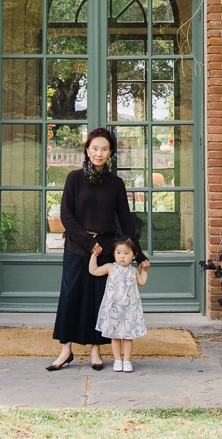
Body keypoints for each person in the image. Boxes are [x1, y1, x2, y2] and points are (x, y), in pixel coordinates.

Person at [48, 127, 148, 372]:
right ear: (87, 150)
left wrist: (139, 254)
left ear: (111, 152)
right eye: (95, 148)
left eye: (104, 149)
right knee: (70, 297)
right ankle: (66, 350)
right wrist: (86, 241)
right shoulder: (74, 178)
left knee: (99, 301)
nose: (99, 153)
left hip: (105, 249)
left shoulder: (116, 184)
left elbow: (125, 221)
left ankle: (96, 350)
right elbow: (67, 216)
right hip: (77, 246)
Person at [89, 237, 149, 372]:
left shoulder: (132, 270)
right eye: (119, 253)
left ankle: (127, 360)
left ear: (134, 256)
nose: (122, 256)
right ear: (114, 254)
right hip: (114, 308)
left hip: (129, 309)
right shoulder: (110, 268)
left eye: (126, 253)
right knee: (115, 336)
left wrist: (144, 270)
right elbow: (93, 270)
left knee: (128, 336)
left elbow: (142, 281)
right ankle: (117, 360)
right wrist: (94, 255)